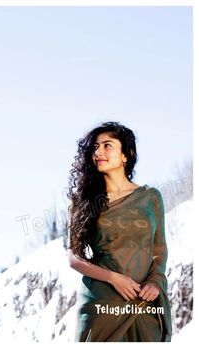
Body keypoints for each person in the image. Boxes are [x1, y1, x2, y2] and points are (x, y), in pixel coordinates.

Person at [67, 121, 172, 342]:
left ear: (126, 154)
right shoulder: (83, 202)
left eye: (107, 145)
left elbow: (159, 248)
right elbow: (74, 258)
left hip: (144, 304)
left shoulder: (150, 197)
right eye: (95, 147)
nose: (99, 152)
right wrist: (114, 278)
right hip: (101, 304)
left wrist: (155, 281)